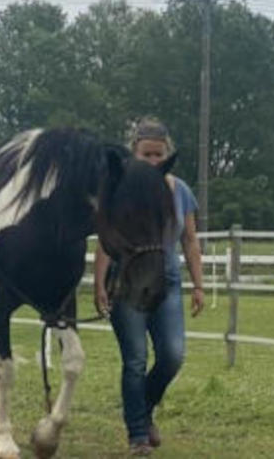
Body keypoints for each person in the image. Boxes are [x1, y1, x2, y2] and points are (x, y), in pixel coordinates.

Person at [94, 116, 204, 456]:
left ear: (166, 154)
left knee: (173, 355)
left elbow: (189, 239)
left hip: (167, 279)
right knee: (136, 360)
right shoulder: (121, 187)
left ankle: (144, 408)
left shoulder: (181, 190)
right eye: (146, 155)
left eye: (159, 155)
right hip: (127, 282)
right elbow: (106, 239)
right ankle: (138, 436)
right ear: (134, 153)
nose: (153, 161)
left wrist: (199, 285)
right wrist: (99, 283)